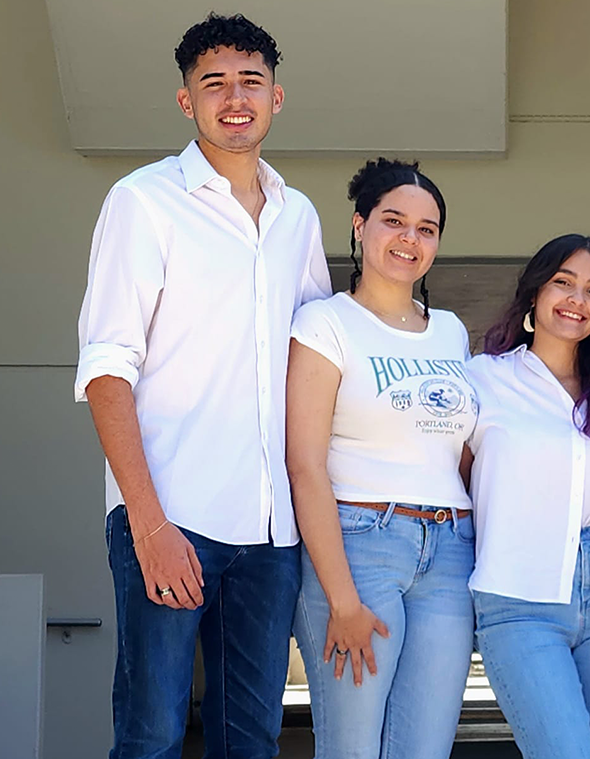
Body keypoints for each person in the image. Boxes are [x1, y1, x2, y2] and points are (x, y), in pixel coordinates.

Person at [74, 14, 331, 758]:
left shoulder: (298, 216)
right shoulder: (143, 200)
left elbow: (313, 364)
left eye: (250, 80)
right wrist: (150, 526)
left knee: (250, 739)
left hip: (272, 531)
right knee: (152, 732)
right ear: (186, 102)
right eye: (213, 83)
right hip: (170, 513)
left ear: (276, 97)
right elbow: (106, 370)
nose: (235, 97)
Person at [286, 159, 476, 758]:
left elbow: (463, 456)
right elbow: (304, 466)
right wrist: (342, 600)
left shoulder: (451, 332)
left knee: (425, 748)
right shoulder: (324, 323)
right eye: (394, 221)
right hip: (360, 545)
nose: (410, 239)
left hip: (449, 552)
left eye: (427, 228)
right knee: (353, 748)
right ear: (360, 226)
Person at [465, 234, 590, 759]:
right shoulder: (483, 379)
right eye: (563, 282)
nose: (576, 300)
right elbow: (453, 482)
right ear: (535, 291)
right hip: (519, 597)